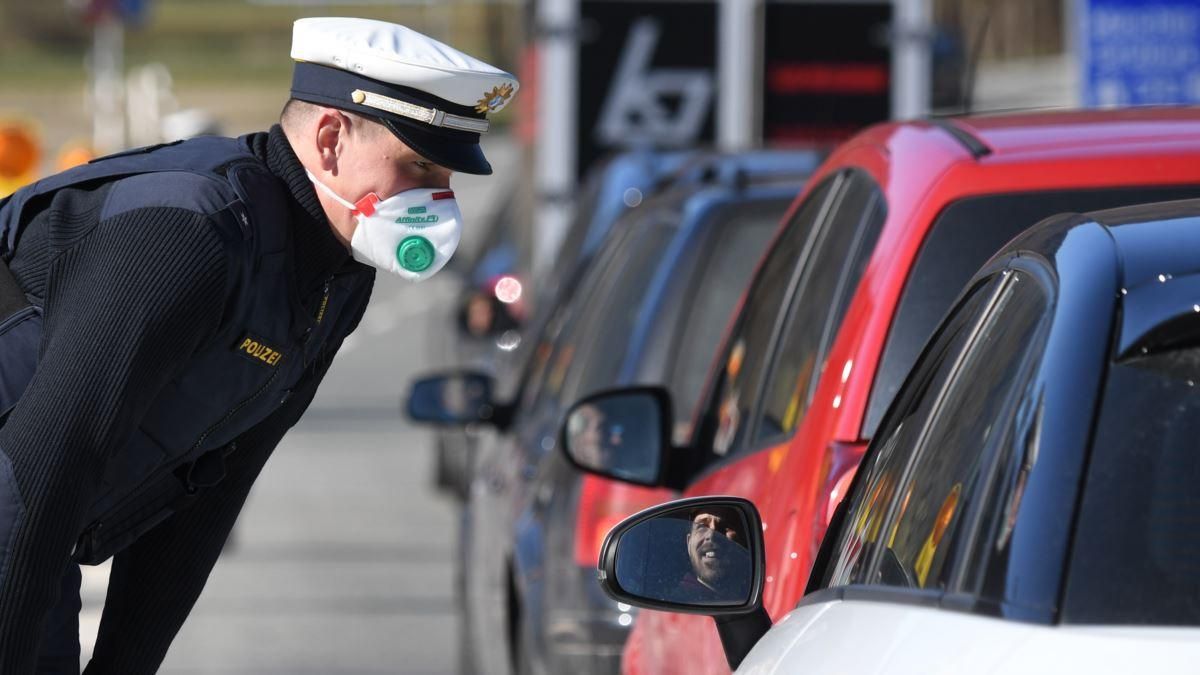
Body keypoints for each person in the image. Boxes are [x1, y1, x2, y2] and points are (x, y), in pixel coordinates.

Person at [0, 17, 517, 674]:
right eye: (418, 165)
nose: (438, 200)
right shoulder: (191, 233)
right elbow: (45, 462)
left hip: (27, 522)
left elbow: (209, 490)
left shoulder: (334, 280)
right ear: (330, 139)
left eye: (446, 176)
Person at [679, 506, 752, 604]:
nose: (712, 535)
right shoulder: (680, 602)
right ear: (688, 544)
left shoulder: (751, 590)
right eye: (702, 526)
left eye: (725, 525)